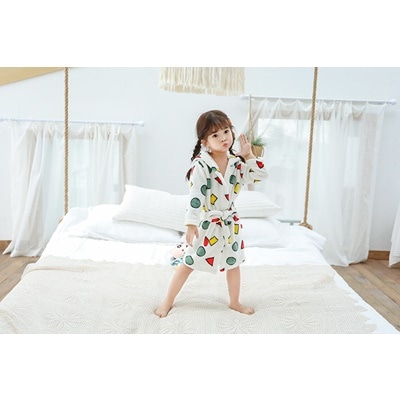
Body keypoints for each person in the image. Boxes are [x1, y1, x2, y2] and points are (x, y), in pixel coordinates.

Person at [155, 110, 268, 318]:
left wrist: (248, 154)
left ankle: (234, 302)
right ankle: (166, 302)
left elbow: (260, 174)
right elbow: (196, 195)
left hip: (230, 224)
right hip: (208, 225)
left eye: (226, 131)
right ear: (205, 141)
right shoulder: (201, 165)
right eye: (215, 135)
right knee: (188, 263)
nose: (223, 137)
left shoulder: (237, 163)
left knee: (233, 263)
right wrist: (191, 224)